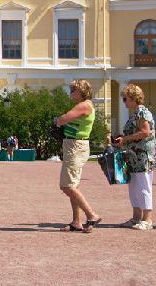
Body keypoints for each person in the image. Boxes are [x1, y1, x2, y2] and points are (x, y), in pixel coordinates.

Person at [55, 79, 102, 233]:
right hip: (74, 145)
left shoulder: (84, 105)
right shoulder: (85, 105)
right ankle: (76, 221)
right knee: (73, 185)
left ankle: (91, 214)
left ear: (81, 92)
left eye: (73, 90)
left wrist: (58, 121)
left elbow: (63, 119)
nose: (71, 93)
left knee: (67, 186)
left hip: (76, 146)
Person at [115, 84, 156, 231]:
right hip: (133, 156)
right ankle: (136, 217)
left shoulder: (142, 112)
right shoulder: (135, 113)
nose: (124, 102)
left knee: (144, 186)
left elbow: (145, 132)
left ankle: (148, 219)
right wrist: (124, 138)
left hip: (143, 156)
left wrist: (126, 139)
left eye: (125, 99)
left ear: (133, 98)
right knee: (134, 186)